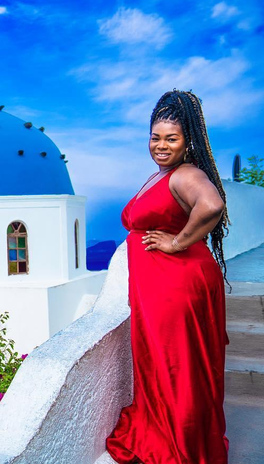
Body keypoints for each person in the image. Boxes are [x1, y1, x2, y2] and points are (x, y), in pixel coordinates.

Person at [106, 90, 230, 463]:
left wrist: (177, 243)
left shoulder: (187, 173)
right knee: (167, 364)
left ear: (187, 141)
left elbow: (212, 205)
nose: (161, 146)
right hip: (162, 284)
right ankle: (173, 432)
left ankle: (183, 447)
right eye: (155, 138)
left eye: (171, 139)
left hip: (174, 285)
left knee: (177, 367)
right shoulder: (166, 174)